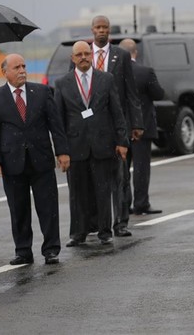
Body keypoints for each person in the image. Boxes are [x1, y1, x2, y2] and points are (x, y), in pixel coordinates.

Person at [0, 54, 71, 265]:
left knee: (48, 207)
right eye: (16, 67)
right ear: (5, 72)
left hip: (41, 159)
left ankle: (51, 249)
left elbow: (56, 125)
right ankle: (23, 250)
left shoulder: (41, 92)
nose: (22, 70)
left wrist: (62, 152)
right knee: (18, 208)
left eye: (23, 66)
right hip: (12, 162)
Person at [55, 41, 129, 246]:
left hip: (102, 144)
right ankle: (78, 233)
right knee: (77, 193)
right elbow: (58, 120)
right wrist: (61, 151)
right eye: (78, 54)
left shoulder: (106, 79)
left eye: (87, 53)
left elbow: (117, 112)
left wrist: (122, 140)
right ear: (72, 58)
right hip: (75, 146)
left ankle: (105, 231)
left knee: (103, 190)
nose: (83, 57)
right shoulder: (63, 83)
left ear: (92, 56)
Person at [90, 15, 143, 238]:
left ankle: (120, 223)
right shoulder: (83, 56)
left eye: (105, 28)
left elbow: (131, 92)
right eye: (98, 27)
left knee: (120, 177)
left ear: (109, 30)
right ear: (92, 30)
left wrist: (136, 123)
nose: (102, 31)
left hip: (117, 125)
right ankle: (94, 224)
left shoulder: (120, 56)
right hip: (91, 128)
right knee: (94, 179)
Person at [118, 38, 165, 215]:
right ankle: (141, 203)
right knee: (141, 168)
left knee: (122, 169)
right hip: (142, 126)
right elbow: (159, 94)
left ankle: (124, 204)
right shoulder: (145, 72)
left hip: (121, 128)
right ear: (135, 53)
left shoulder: (113, 73)